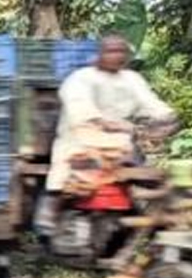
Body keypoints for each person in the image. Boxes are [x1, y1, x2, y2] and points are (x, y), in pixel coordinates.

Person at [38, 35, 181, 231]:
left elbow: (151, 103)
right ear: (100, 54)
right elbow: (80, 108)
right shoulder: (81, 78)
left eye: (121, 51)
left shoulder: (132, 79)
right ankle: (50, 208)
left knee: (149, 174)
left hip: (121, 143)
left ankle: (155, 217)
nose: (117, 56)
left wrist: (167, 118)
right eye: (112, 51)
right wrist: (104, 123)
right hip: (81, 138)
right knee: (66, 173)